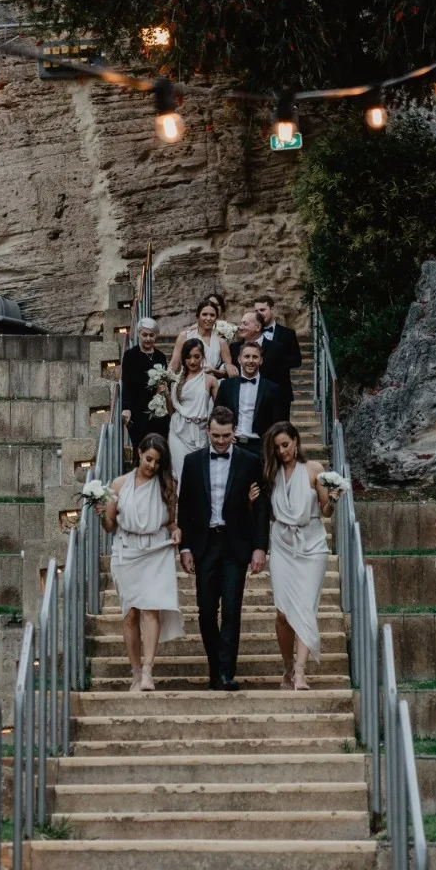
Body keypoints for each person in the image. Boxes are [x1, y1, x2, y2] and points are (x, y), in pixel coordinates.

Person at [177, 407, 269, 691]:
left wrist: (260, 548)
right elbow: (186, 506)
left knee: (231, 609)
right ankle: (214, 669)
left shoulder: (250, 461)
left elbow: (261, 507)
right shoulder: (191, 462)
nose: (220, 441)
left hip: (235, 543)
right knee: (205, 611)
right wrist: (185, 548)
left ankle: (226, 673)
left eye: (226, 436)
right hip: (204, 543)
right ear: (208, 431)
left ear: (234, 432)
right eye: (215, 435)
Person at [254, 422, 341, 691]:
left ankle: (301, 672)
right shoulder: (270, 473)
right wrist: (250, 500)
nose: (282, 451)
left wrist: (334, 499)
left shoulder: (314, 470)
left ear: (296, 441)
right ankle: (288, 666)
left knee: (305, 608)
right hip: (281, 542)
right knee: (282, 612)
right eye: (277, 447)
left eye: (286, 444)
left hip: (311, 544)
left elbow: (325, 510)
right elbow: (264, 512)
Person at [95, 434, 185, 693]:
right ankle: (135, 672)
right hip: (127, 549)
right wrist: (103, 515)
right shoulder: (120, 485)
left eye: (157, 462)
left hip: (156, 549)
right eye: (149, 459)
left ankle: (147, 671)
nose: (152, 466)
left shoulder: (167, 484)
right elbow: (110, 526)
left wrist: (176, 530)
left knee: (151, 610)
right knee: (130, 614)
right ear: (139, 453)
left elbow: (170, 520)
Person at [215, 340, 281, 458]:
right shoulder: (226, 386)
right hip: (232, 445)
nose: (250, 361)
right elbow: (217, 414)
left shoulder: (272, 389)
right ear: (239, 359)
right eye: (247, 356)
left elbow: (278, 423)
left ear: (261, 360)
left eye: (255, 357)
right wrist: (225, 436)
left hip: (260, 447)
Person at [167, 338, 218, 480]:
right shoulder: (177, 381)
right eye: (188, 357)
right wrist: (165, 394)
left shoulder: (210, 380)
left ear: (203, 357)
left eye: (196, 356)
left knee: (199, 473)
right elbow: (172, 411)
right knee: (181, 472)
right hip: (178, 430)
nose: (193, 361)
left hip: (200, 430)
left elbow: (220, 409)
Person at [120, 318, 170, 462]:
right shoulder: (130, 355)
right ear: (138, 334)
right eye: (144, 335)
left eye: (151, 335)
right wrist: (126, 408)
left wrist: (163, 389)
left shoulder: (160, 356)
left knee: (159, 448)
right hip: (138, 410)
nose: (148, 338)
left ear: (156, 336)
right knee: (141, 448)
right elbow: (126, 383)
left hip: (158, 412)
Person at [254, 294, 302, 422]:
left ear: (273, 310)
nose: (259, 314)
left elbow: (297, 360)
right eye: (256, 311)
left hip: (280, 391)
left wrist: (275, 361)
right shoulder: (250, 333)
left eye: (262, 310)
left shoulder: (288, 334)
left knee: (280, 431)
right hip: (255, 390)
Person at [169, 299, 235, 379]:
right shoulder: (184, 336)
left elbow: (229, 371)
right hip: (188, 383)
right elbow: (174, 363)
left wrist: (213, 371)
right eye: (204, 314)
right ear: (198, 316)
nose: (208, 318)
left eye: (212, 315)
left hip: (212, 385)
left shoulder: (221, 343)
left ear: (216, 318)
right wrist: (164, 381)